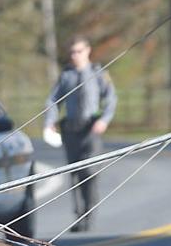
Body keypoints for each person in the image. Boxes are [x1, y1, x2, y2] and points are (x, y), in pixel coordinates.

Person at [42, 35, 117, 232]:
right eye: (72, 52)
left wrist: (104, 120)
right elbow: (52, 100)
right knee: (74, 173)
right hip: (71, 129)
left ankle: (89, 214)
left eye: (79, 51)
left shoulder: (98, 73)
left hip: (91, 128)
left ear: (88, 51)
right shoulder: (66, 76)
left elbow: (111, 98)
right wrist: (50, 122)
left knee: (89, 171)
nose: (75, 56)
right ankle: (79, 215)